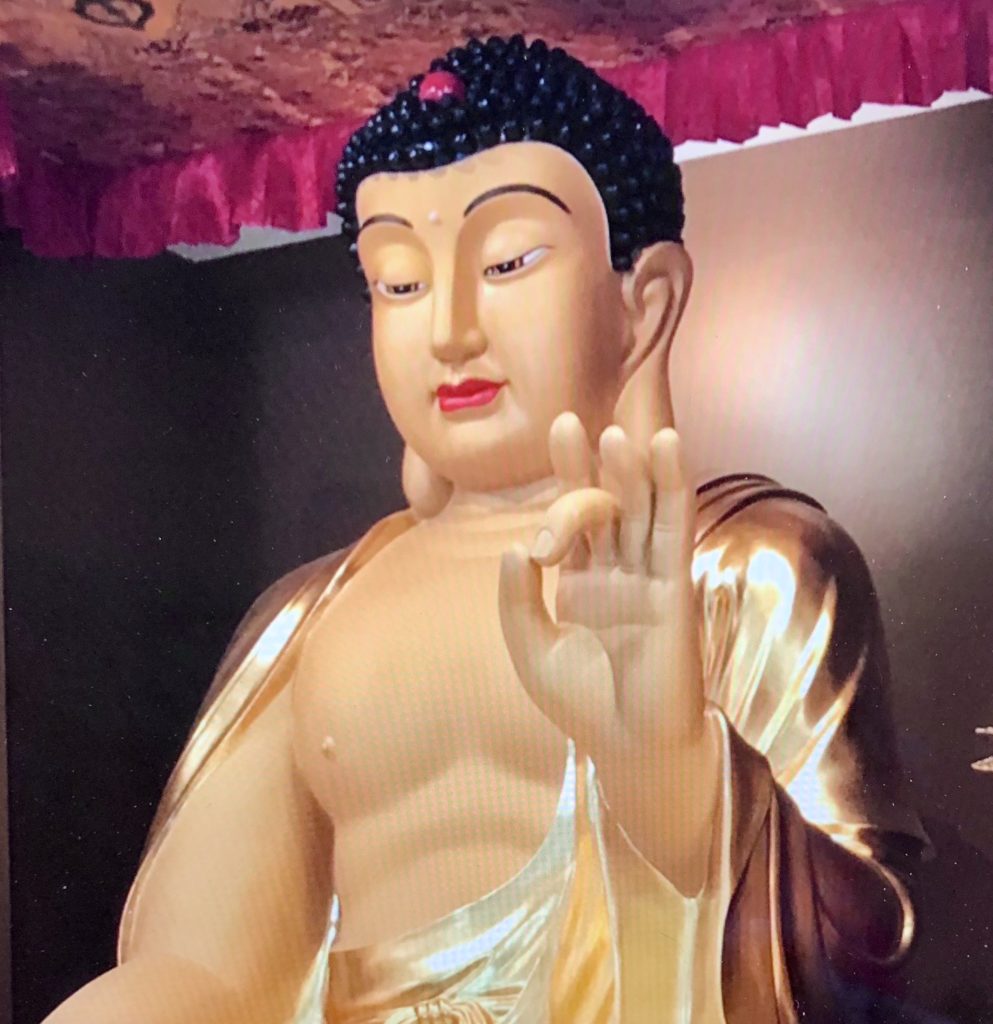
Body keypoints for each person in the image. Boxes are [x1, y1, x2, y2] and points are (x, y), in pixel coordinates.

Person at [47, 34, 930, 1024]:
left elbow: (868, 961)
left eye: (508, 259)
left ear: (645, 305)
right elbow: (211, 967)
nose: (450, 327)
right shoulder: (312, 615)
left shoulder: (746, 566)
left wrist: (676, 772)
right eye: (399, 281)